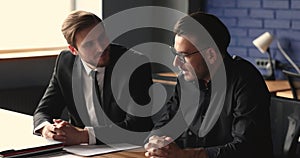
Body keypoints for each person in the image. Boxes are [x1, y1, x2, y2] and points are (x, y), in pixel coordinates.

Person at [144, 12, 273, 158]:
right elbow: (165, 124)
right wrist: (157, 142)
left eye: (183, 56)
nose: (176, 63)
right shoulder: (184, 81)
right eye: (175, 53)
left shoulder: (246, 80)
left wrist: (185, 155)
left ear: (211, 55)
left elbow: (245, 147)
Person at [33, 10, 153, 145]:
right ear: (74, 50)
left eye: (102, 37)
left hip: (127, 149)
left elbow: (138, 126)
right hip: (82, 151)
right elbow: (44, 111)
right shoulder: (66, 63)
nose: (100, 47)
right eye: (89, 44)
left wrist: (83, 136)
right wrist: (46, 129)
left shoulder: (134, 64)